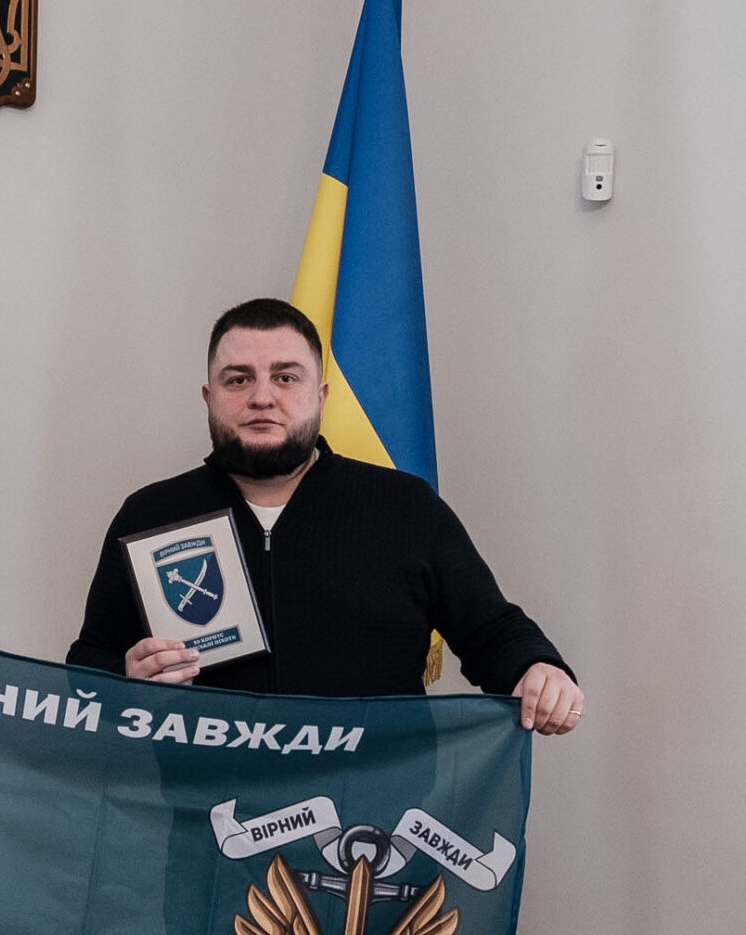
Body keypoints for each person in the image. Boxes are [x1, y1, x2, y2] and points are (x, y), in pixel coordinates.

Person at [67, 297, 581, 729]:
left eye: (285, 377)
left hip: (376, 806)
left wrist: (538, 669)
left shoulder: (405, 506)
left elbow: (492, 631)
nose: (262, 397)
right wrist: (124, 677)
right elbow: (87, 664)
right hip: (202, 806)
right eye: (238, 380)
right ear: (209, 397)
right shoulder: (150, 514)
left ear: (320, 396)